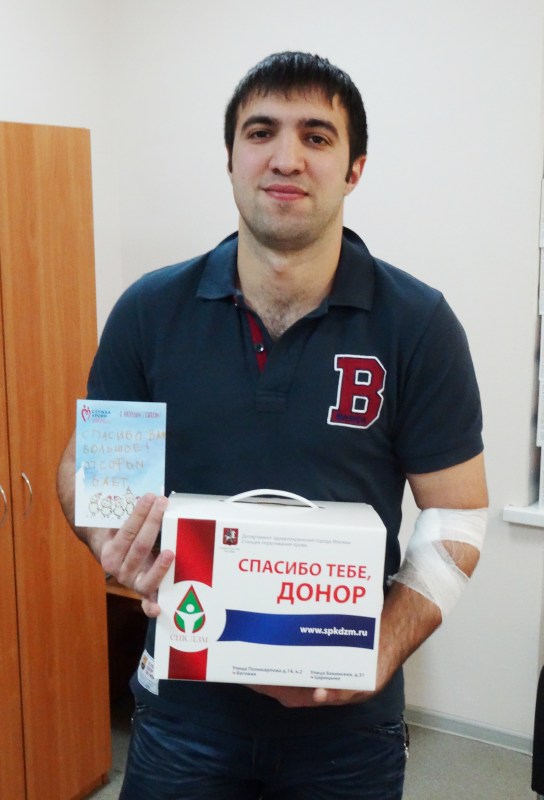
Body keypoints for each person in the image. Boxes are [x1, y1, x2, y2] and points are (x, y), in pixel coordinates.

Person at [57, 51, 488, 800]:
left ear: (354, 169)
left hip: (348, 731)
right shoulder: (150, 311)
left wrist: (382, 650)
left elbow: (456, 515)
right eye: (261, 132)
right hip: (182, 712)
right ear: (230, 158)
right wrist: (110, 542)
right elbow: (90, 473)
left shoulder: (418, 325)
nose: (286, 158)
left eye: (316, 136)